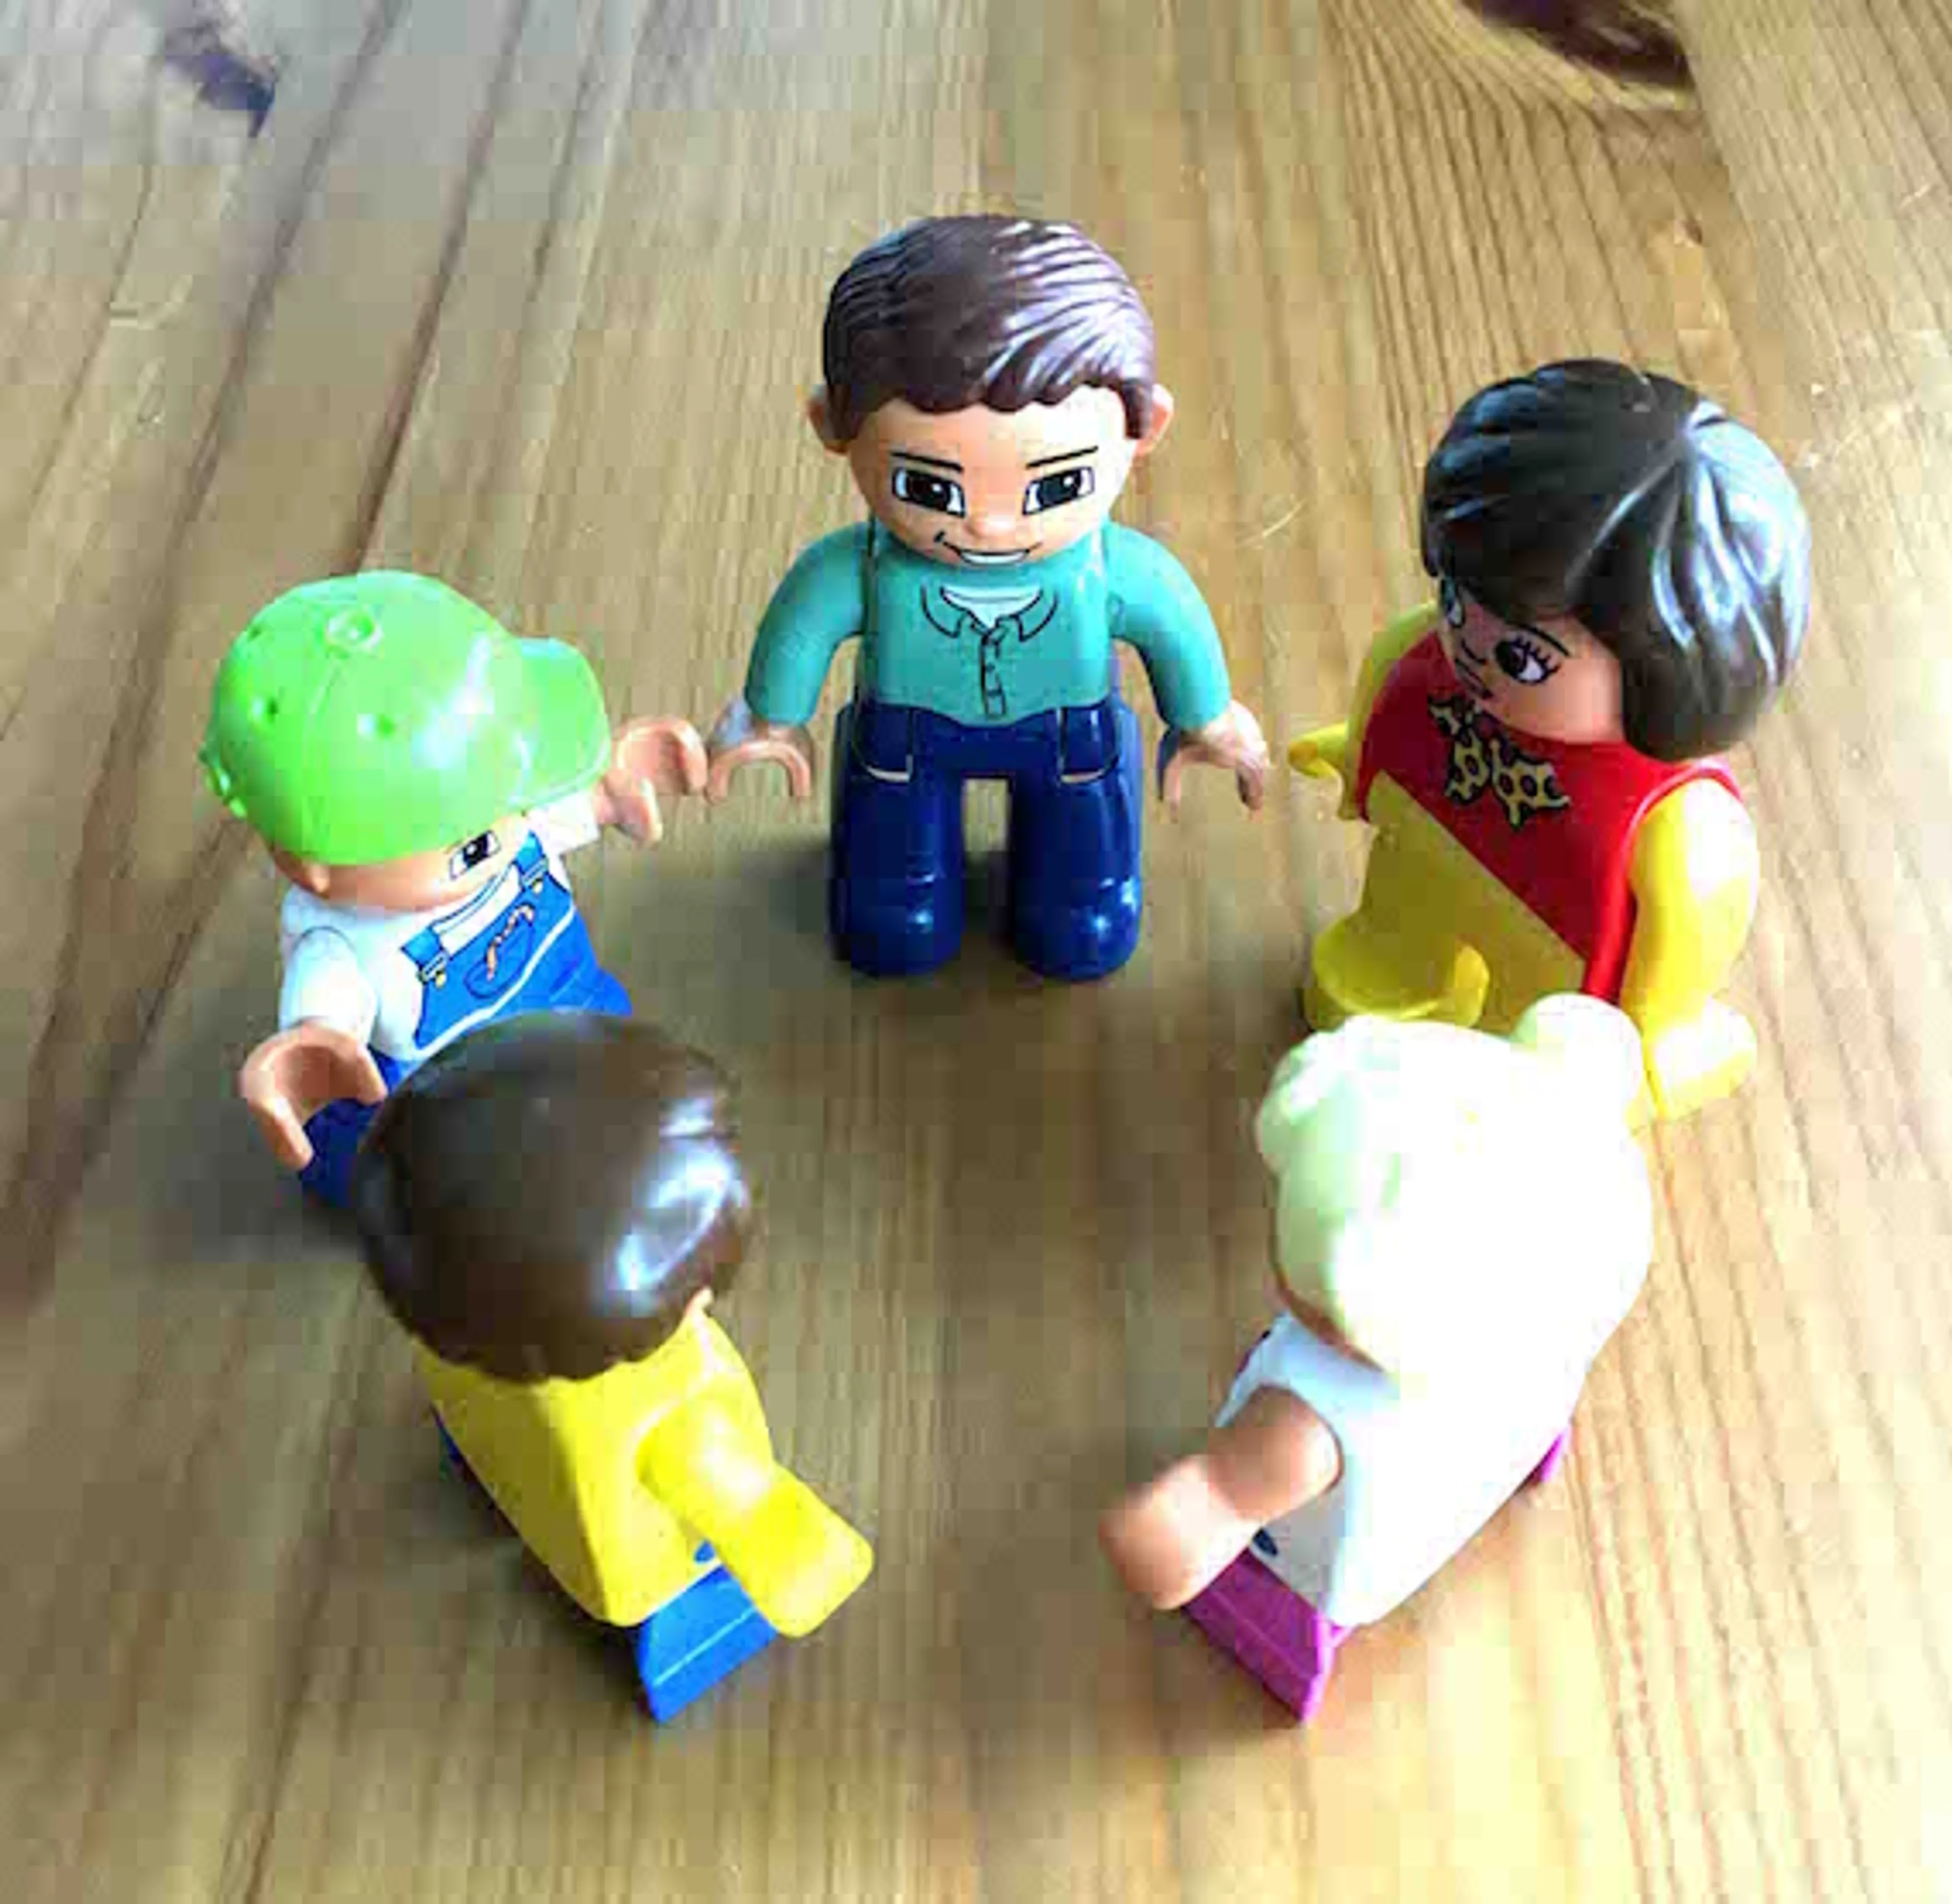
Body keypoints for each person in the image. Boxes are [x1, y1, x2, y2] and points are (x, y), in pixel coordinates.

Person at [707, 213, 1270, 981]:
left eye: (1057, 486)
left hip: (1068, 738)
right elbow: (805, 618)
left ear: (1146, 431)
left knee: (1079, 906)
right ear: (832, 426)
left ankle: (1080, 896)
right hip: (906, 740)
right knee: (892, 905)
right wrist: (771, 715)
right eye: (931, 488)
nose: (992, 526)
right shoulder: (866, 570)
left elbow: (1172, 620)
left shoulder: (1108, 571)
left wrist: (1206, 716)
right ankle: (896, 894)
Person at [1100, 996, 1653, 1724]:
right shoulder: (1573, 1261)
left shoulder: (1308, 1422)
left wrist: (1190, 1512)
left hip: (1330, 1552)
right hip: (1498, 1440)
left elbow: (1224, 1494)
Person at [1291, 360, 1810, 1119]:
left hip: (1557, 954)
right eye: (1454, 601)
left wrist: (1657, 1031)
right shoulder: (1427, 658)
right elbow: (1386, 681)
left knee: (1526, 1035)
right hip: (1424, 849)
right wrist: (1355, 755)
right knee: (1403, 920)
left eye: (1524, 656)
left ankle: (1510, 1079)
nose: (1466, 646)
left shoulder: (1679, 824)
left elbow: (1693, 912)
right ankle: (1398, 961)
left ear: (1663, 669)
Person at [348, 1012, 873, 1722]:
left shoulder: (467, 1319)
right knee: (685, 1607)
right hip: (646, 1567)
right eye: (696, 1285)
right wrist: (807, 1554)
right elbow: (755, 1511)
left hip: (496, 1451)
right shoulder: (678, 1408)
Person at [199, 570, 705, 1204]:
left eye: (518, 794)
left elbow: (574, 808)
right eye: (470, 843)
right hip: (450, 1082)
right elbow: (328, 1017)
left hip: (564, 999)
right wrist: (317, 1050)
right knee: (420, 1169)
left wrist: (614, 787)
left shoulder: (512, 823)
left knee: (612, 1055)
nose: (513, 823)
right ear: (311, 869)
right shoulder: (341, 944)